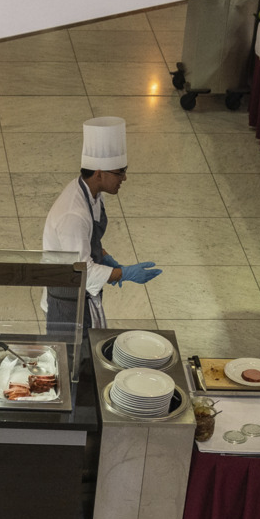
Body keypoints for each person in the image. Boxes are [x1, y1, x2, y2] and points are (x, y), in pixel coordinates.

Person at [42, 117, 160, 348]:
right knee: (71, 359)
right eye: (119, 172)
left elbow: (86, 241)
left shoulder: (93, 193)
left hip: (82, 292)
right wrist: (123, 273)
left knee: (88, 353)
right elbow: (83, 272)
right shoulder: (73, 215)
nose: (124, 178)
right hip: (67, 297)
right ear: (99, 173)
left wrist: (103, 255)